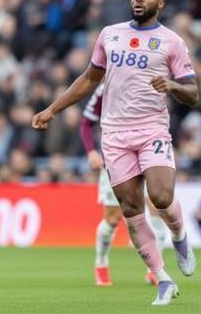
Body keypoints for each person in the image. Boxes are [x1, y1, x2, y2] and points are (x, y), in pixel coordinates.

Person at [33, 0, 198, 306]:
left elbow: (192, 93)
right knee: (131, 210)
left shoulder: (172, 42)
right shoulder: (110, 34)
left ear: (160, 4)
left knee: (161, 197)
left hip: (151, 129)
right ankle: (163, 279)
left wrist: (172, 85)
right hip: (114, 135)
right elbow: (89, 79)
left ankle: (180, 236)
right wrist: (52, 109)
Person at [79, 83, 167, 286]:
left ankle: (155, 269)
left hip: (146, 157)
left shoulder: (148, 85)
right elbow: (86, 124)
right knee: (112, 219)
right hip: (115, 160)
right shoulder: (105, 90)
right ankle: (101, 263)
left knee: (157, 208)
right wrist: (91, 151)